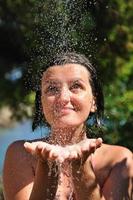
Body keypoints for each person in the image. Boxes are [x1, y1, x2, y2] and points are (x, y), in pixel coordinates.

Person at [3, 52, 133, 200]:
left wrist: (80, 167)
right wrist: (47, 166)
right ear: (41, 103)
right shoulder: (21, 154)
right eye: (52, 88)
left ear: (94, 102)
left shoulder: (119, 160)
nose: (63, 98)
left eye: (76, 86)